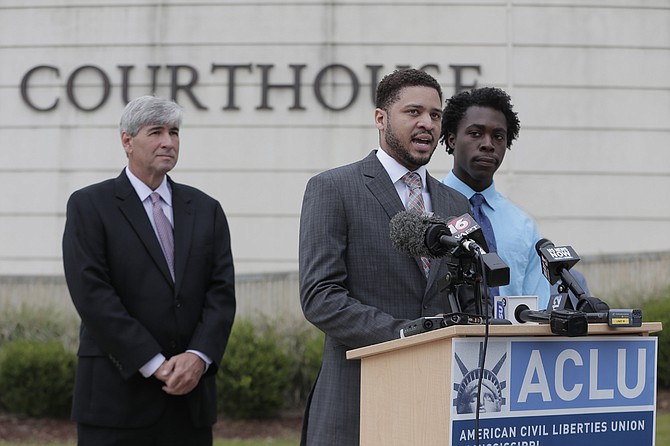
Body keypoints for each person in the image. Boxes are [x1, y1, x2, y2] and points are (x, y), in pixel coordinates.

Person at [298, 68, 479, 445]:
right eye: (413, 112)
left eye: (434, 114)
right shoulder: (333, 189)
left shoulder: (455, 203)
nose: (427, 123)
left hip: (438, 404)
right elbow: (321, 297)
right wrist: (403, 335)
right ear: (380, 119)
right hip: (357, 399)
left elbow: (471, 295)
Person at [62, 96, 236, 445]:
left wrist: (198, 357)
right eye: (155, 132)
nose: (168, 142)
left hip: (190, 401)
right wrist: (154, 362)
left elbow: (221, 293)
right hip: (116, 400)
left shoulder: (206, 209)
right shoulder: (90, 205)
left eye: (174, 132)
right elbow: (92, 294)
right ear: (127, 141)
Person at [440, 87, 551, 309]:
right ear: (452, 140)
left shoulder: (523, 225)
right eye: (475, 133)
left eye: (498, 136)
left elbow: (539, 307)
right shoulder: (427, 209)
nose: (488, 144)